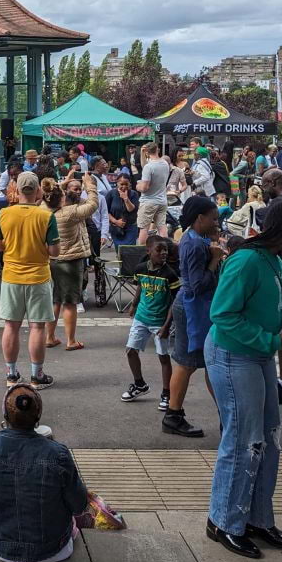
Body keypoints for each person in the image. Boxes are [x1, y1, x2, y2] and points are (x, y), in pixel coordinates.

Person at [204, 197, 282, 559]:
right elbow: (222, 314)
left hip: (257, 356)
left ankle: (257, 518)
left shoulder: (273, 261)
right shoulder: (246, 260)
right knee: (243, 440)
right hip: (233, 356)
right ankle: (223, 521)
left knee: (268, 438)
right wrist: (273, 340)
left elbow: (271, 302)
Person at [0, 384, 89, 562]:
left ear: (5, 416)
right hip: (52, 549)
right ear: (38, 418)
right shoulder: (58, 454)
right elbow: (79, 504)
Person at [0, 171, 60, 389]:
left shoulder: (4, 214)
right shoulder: (46, 216)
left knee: (11, 326)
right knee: (37, 327)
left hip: (11, 276)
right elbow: (54, 251)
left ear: (16, 190)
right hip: (38, 277)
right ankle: (37, 376)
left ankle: (11, 374)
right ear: (38, 190)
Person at [166, 197, 221, 438]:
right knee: (190, 363)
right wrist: (215, 260)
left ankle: (175, 414)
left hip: (191, 305)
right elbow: (198, 284)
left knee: (199, 362)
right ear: (200, 218)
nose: (216, 222)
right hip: (192, 306)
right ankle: (174, 414)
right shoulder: (196, 245)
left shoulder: (193, 238)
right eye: (213, 217)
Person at [44, 171, 98, 351]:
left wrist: (63, 182)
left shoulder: (45, 208)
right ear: (61, 197)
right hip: (71, 261)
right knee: (70, 302)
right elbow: (92, 205)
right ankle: (71, 340)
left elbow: (50, 193)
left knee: (55, 300)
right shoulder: (69, 213)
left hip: (53, 260)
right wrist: (89, 185)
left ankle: (50, 337)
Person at [121, 235, 178, 404]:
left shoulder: (170, 274)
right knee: (131, 351)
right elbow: (139, 286)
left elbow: (175, 302)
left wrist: (167, 326)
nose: (163, 253)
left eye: (165, 250)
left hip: (160, 322)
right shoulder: (140, 268)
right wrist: (134, 304)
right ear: (148, 251)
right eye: (159, 250)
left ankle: (166, 393)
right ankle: (139, 384)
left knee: (163, 357)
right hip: (141, 318)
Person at [135, 142, 169, 244]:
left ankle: (142, 254)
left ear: (147, 152)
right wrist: (142, 153)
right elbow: (145, 165)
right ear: (157, 150)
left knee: (144, 228)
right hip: (162, 201)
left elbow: (144, 187)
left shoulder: (149, 167)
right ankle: (166, 249)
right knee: (161, 227)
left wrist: (138, 186)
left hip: (148, 202)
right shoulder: (165, 163)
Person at [106, 173, 139, 247]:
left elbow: (131, 209)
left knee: (129, 250)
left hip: (131, 227)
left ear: (129, 183)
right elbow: (105, 212)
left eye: (126, 184)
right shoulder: (111, 194)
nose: (124, 187)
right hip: (116, 228)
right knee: (119, 251)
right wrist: (116, 221)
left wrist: (126, 199)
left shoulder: (134, 194)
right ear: (117, 183)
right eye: (122, 184)